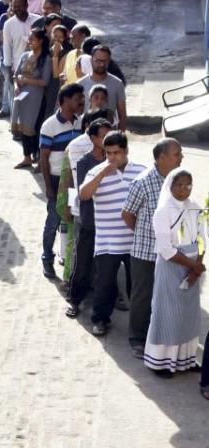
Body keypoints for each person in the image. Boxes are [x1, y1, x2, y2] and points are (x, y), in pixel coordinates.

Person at [79, 131, 146, 336]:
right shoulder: (96, 172)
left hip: (135, 242)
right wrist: (102, 175)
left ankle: (140, 327)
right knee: (104, 286)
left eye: (116, 153)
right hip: (107, 242)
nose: (111, 158)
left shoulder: (141, 171)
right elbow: (84, 194)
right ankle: (100, 320)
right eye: (108, 153)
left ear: (125, 151)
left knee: (137, 288)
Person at [122, 138, 183, 357]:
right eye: (177, 154)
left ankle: (160, 337)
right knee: (142, 296)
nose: (181, 158)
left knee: (166, 296)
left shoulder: (178, 181)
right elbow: (127, 214)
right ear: (161, 158)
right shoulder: (143, 182)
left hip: (171, 252)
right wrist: (144, 234)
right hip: (145, 251)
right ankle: (137, 339)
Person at [144, 169, 206, 376]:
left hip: (192, 267)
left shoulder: (195, 208)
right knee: (168, 313)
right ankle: (161, 363)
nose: (184, 189)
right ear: (170, 186)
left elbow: (201, 239)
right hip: (172, 266)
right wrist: (192, 265)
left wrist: (197, 266)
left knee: (188, 315)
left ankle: (185, 360)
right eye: (179, 184)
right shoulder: (163, 211)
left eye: (188, 185)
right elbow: (166, 249)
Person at [66, 117, 112, 316]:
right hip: (90, 220)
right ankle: (75, 300)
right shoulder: (84, 162)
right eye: (104, 136)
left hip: (110, 223)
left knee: (107, 268)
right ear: (93, 138)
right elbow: (85, 192)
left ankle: (105, 307)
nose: (108, 140)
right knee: (82, 264)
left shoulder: (115, 160)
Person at [39, 82, 84, 278]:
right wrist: (48, 186)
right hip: (57, 181)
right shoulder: (49, 126)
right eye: (76, 99)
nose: (80, 102)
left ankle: (69, 257)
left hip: (75, 180)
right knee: (52, 223)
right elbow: (43, 158)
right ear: (64, 100)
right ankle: (47, 259)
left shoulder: (79, 122)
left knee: (73, 223)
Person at [11, 27, 51, 169]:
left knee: (34, 127)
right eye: (29, 38)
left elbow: (44, 81)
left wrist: (26, 81)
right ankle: (26, 157)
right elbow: (15, 75)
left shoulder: (46, 59)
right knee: (23, 128)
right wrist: (16, 86)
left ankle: (38, 158)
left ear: (40, 41)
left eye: (32, 39)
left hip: (36, 98)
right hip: (21, 97)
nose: (29, 41)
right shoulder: (24, 55)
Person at [78, 45, 126, 130]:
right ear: (91, 60)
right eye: (97, 60)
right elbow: (76, 114)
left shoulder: (117, 84)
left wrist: (119, 137)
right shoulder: (80, 84)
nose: (101, 64)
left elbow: (122, 116)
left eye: (105, 61)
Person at [2, 0, 39, 107]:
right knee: (17, 102)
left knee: (33, 101)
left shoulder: (37, 20)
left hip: (36, 69)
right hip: (18, 69)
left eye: (20, 6)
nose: (17, 9)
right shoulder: (8, 24)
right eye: (15, 6)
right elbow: (7, 47)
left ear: (26, 5)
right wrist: (9, 69)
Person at [0, 1, 12, 118]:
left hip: (18, 56)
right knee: (7, 81)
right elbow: (0, 37)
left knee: (9, 83)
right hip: (5, 56)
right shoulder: (4, 17)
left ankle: (7, 108)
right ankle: (5, 107)